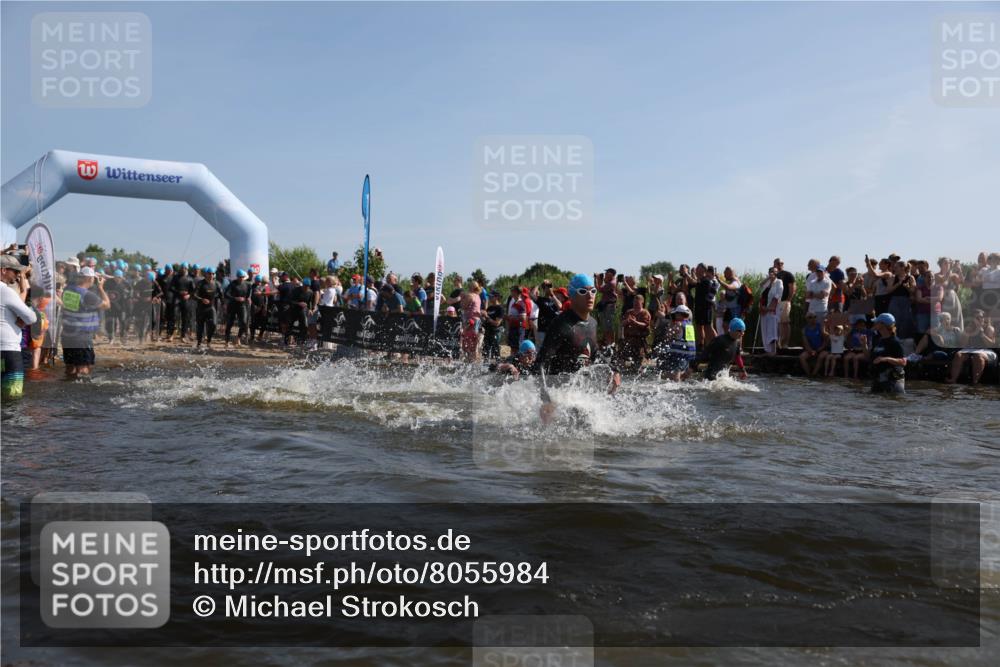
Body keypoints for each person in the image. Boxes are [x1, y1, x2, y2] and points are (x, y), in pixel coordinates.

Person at [533, 274, 621, 421]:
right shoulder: (561, 324)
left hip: (580, 392)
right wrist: (546, 400)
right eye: (583, 292)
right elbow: (540, 363)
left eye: (593, 291)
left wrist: (614, 370)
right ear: (572, 295)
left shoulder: (592, 323)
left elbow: (594, 354)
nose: (590, 296)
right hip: (561, 394)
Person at [60, 266, 111, 378]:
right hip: (81, 337)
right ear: (90, 279)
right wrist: (101, 288)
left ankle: (67, 391)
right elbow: (107, 305)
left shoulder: (67, 290)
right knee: (83, 370)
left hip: (67, 335)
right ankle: (80, 393)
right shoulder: (87, 295)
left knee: (70, 368)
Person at [1, 253, 37, 400]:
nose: (17, 275)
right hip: (8, 351)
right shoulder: (6, 291)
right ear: (3, 270)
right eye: (15, 271)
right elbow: (31, 317)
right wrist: (21, 318)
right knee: (12, 397)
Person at [946, 310, 997, 385]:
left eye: (980, 317)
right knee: (958, 355)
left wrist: (981, 333)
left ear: (983, 318)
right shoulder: (969, 328)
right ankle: (953, 379)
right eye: (976, 317)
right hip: (971, 349)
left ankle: (975, 381)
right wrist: (967, 333)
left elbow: (991, 344)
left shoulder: (989, 328)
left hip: (986, 350)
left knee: (978, 356)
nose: (979, 319)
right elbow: (963, 345)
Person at [869, 312, 907, 394]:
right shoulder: (878, 340)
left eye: (877, 322)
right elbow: (870, 358)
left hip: (892, 381)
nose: (874, 323)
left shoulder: (895, 342)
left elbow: (903, 362)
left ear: (883, 324)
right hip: (878, 380)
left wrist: (886, 359)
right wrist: (864, 345)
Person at [657, 304, 697, 381]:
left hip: (678, 357)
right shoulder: (690, 324)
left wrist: (671, 323)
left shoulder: (678, 324)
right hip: (688, 357)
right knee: (679, 377)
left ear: (679, 314)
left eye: (675, 314)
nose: (674, 316)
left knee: (670, 378)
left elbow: (668, 336)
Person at [620, 293, 651, 368]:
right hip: (628, 339)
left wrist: (635, 322)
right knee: (621, 358)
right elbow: (622, 323)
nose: (635, 304)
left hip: (639, 340)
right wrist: (627, 321)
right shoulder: (629, 312)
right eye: (634, 303)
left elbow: (645, 324)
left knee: (636, 363)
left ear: (642, 302)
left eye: (637, 303)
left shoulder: (645, 313)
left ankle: (636, 371)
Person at [693, 264, 719, 347]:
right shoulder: (701, 280)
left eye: (698, 269)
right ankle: (701, 347)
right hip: (699, 307)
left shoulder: (706, 281)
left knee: (708, 328)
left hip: (706, 308)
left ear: (704, 271)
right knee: (699, 327)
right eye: (697, 269)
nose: (697, 271)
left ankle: (719, 345)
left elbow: (708, 296)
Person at [194, 265, 219, 348]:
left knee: (214, 324)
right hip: (201, 308)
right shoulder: (200, 283)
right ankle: (199, 342)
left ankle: (209, 341)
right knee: (200, 326)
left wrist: (224, 304)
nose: (211, 275)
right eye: (209, 273)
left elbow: (222, 295)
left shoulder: (216, 284)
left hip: (211, 308)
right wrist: (202, 299)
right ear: (206, 274)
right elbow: (194, 295)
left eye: (212, 273)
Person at [773, 258, 796, 349]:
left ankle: (785, 343)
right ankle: (778, 343)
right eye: (777, 263)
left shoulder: (788, 274)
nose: (779, 265)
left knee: (785, 322)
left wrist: (788, 300)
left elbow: (792, 288)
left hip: (784, 301)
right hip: (775, 303)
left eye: (780, 263)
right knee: (777, 323)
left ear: (783, 264)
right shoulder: (774, 275)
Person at [761, 267, 783, 355]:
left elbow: (777, 296)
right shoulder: (767, 282)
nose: (772, 273)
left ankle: (773, 351)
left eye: (774, 272)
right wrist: (768, 278)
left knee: (772, 330)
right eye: (770, 272)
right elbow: (760, 286)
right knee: (765, 330)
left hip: (772, 310)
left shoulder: (779, 282)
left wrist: (769, 309)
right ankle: (767, 350)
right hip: (764, 310)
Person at [798, 312, 828, 376]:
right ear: (807, 319)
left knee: (821, 357)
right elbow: (805, 343)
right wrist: (811, 351)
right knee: (802, 357)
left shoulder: (820, 327)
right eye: (810, 317)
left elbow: (826, 340)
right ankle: (809, 374)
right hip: (811, 349)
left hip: (822, 349)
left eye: (814, 317)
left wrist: (820, 349)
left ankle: (813, 375)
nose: (813, 319)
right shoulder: (804, 329)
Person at [595, 268, 619, 347]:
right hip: (607, 306)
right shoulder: (610, 281)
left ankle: (611, 344)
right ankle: (608, 343)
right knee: (606, 326)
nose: (605, 274)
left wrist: (596, 279)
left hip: (610, 306)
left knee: (609, 327)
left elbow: (599, 289)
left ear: (611, 274)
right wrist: (601, 279)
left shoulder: (612, 283)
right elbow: (602, 285)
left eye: (607, 273)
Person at [482, 292, 505, 361]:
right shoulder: (489, 308)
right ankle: (485, 366)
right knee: (485, 351)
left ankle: (497, 366)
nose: (489, 298)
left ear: (496, 297)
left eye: (491, 297)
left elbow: (497, 323)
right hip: (487, 332)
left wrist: (486, 316)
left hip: (495, 332)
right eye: (489, 296)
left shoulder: (500, 308)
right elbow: (486, 320)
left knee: (495, 351)